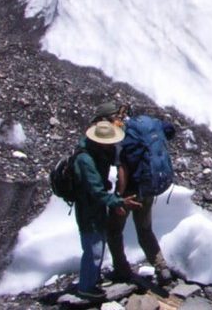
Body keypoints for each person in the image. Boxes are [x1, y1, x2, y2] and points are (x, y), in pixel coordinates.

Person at [100, 102, 175, 285]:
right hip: (148, 187)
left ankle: (121, 269)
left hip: (130, 192)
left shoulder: (122, 136)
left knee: (114, 230)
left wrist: (119, 197)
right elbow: (170, 130)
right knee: (145, 229)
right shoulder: (148, 125)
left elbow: (122, 170)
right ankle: (162, 268)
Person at [73, 120, 141, 300]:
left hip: (94, 206)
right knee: (93, 245)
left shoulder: (95, 152)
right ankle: (86, 287)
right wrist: (118, 201)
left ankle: (91, 279)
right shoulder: (85, 159)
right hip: (88, 208)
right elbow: (95, 190)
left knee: (97, 242)